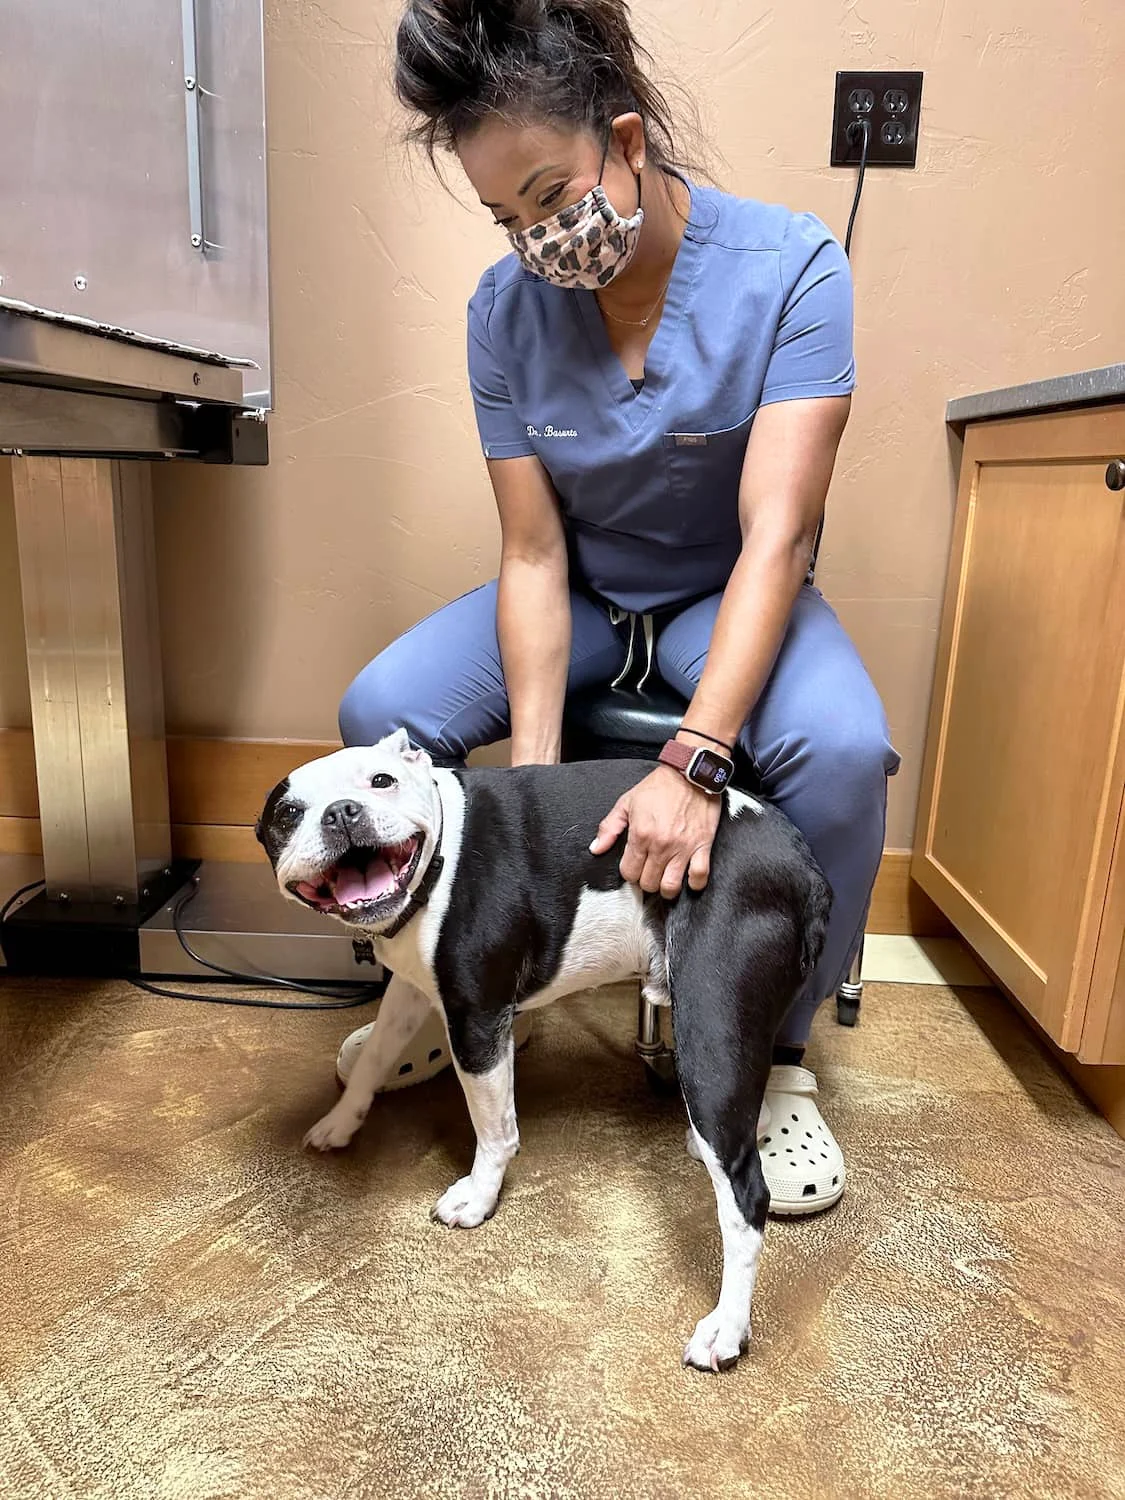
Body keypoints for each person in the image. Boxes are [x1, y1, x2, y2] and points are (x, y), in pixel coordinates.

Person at [336, 0, 899, 1215]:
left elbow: (777, 535)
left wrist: (698, 760)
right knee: (379, 705)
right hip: (584, 591)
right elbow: (531, 555)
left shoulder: (792, 267)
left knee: (845, 750)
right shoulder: (501, 313)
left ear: (628, 142)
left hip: (723, 587)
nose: (537, 237)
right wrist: (526, 824)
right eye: (505, 216)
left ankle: (782, 1058)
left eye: (549, 196)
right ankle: (454, 986)